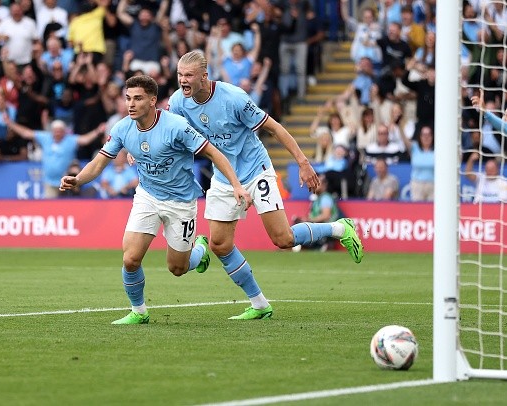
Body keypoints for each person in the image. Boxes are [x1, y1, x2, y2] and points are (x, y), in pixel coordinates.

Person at [168, 50, 364, 320]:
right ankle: (259, 304)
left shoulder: (234, 98)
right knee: (220, 244)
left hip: (255, 171)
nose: (183, 80)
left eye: (188, 75)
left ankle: (340, 227)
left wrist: (304, 163)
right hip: (225, 177)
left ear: (205, 76)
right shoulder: (178, 102)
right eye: (179, 74)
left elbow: (275, 128)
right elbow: (167, 132)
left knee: (283, 239)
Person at [59, 75, 253, 325]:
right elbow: (98, 163)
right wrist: (78, 180)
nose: (131, 104)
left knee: (177, 268)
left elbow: (214, 153)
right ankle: (139, 311)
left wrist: (236, 185)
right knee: (130, 258)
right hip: (147, 196)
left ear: (152, 101)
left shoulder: (176, 126)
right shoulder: (121, 128)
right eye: (127, 98)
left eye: (137, 98)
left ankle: (201, 250)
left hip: (181, 202)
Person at [5, 118, 106, 198]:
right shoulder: (45, 138)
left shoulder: (70, 140)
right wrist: (10, 123)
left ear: (64, 132)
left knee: (68, 207)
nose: (57, 133)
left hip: (66, 182)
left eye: (60, 131)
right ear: (52, 131)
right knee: (50, 208)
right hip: (49, 182)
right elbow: (26, 133)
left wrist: (98, 131)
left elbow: (85, 140)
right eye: (55, 131)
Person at [291, 174, 341, 252]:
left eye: (317, 183)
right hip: (318, 228)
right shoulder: (317, 199)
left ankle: (323, 244)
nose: (314, 185)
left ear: (324, 185)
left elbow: (326, 216)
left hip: (326, 230)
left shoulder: (325, 198)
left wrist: (309, 220)